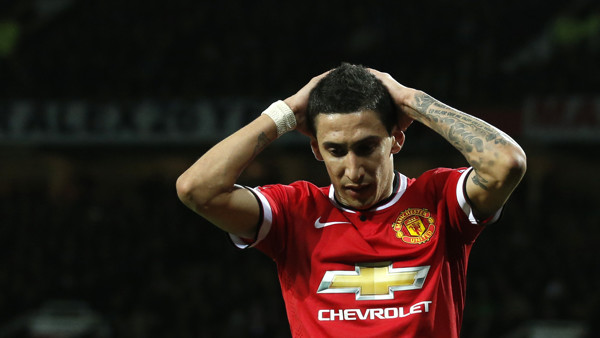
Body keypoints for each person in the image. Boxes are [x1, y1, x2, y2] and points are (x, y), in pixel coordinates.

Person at [176, 63, 526, 337]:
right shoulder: (293, 212)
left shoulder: (439, 200)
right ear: (316, 149)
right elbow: (197, 190)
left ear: (396, 140)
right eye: (335, 150)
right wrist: (285, 112)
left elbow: (506, 163)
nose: (353, 169)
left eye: (366, 147)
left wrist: (410, 100)